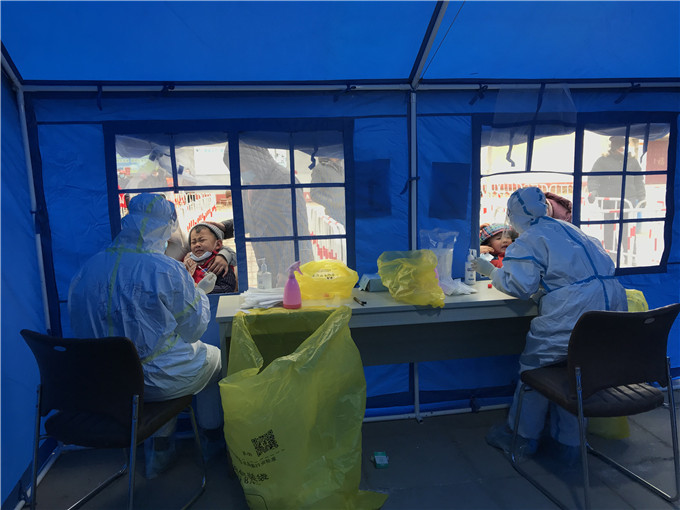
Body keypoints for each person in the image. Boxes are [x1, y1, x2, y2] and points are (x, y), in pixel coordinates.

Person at [67, 193, 225, 478]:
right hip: (155, 379)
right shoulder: (165, 269)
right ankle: (212, 441)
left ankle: (160, 450)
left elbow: (80, 327)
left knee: (163, 371)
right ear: (164, 230)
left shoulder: (88, 269)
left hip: (105, 383)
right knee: (213, 360)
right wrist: (200, 295)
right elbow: (194, 331)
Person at [473, 187, 627, 463]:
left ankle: (522, 437)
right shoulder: (573, 231)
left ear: (513, 216)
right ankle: (570, 444)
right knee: (577, 372)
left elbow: (520, 286)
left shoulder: (531, 238)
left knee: (535, 370)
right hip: (611, 307)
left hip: (573, 311)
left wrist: (491, 271)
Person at [587, 136, 646, 251]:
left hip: (628, 200)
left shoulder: (632, 161)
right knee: (609, 228)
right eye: (621, 147)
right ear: (615, 148)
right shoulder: (603, 161)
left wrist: (642, 196)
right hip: (609, 201)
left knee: (627, 229)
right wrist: (593, 191)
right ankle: (611, 253)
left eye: (626, 146)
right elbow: (593, 177)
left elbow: (639, 180)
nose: (624, 149)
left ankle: (629, 253)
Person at [184, 221, 237, 294]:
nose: (197, 245)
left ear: (218, 244)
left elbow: (227, 288)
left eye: (202, 240)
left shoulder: (220, 263)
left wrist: (201, 289)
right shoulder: (185, 263)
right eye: (193, 242)